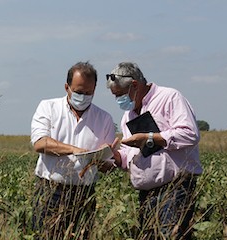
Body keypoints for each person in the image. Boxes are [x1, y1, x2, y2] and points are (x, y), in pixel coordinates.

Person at [106, 62, 203, 239]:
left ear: (135, 85)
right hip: (146, 194)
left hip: (174, 189)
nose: (118, 100)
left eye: (120, 95)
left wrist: (150, 138)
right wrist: (115, 157)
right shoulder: (128, 115)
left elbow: (190, 134)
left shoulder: (169, 97)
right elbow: (129, 156)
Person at [30, 61, 117, 239]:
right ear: (66, 87)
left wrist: (102, 160)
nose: (83, 96)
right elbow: (40, 143)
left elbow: (109, 165)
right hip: (50, 191)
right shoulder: (48, 107)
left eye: (88, 93)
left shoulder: (104, 118)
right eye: (78, 92)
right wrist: (74, 150)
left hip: (84, 194)